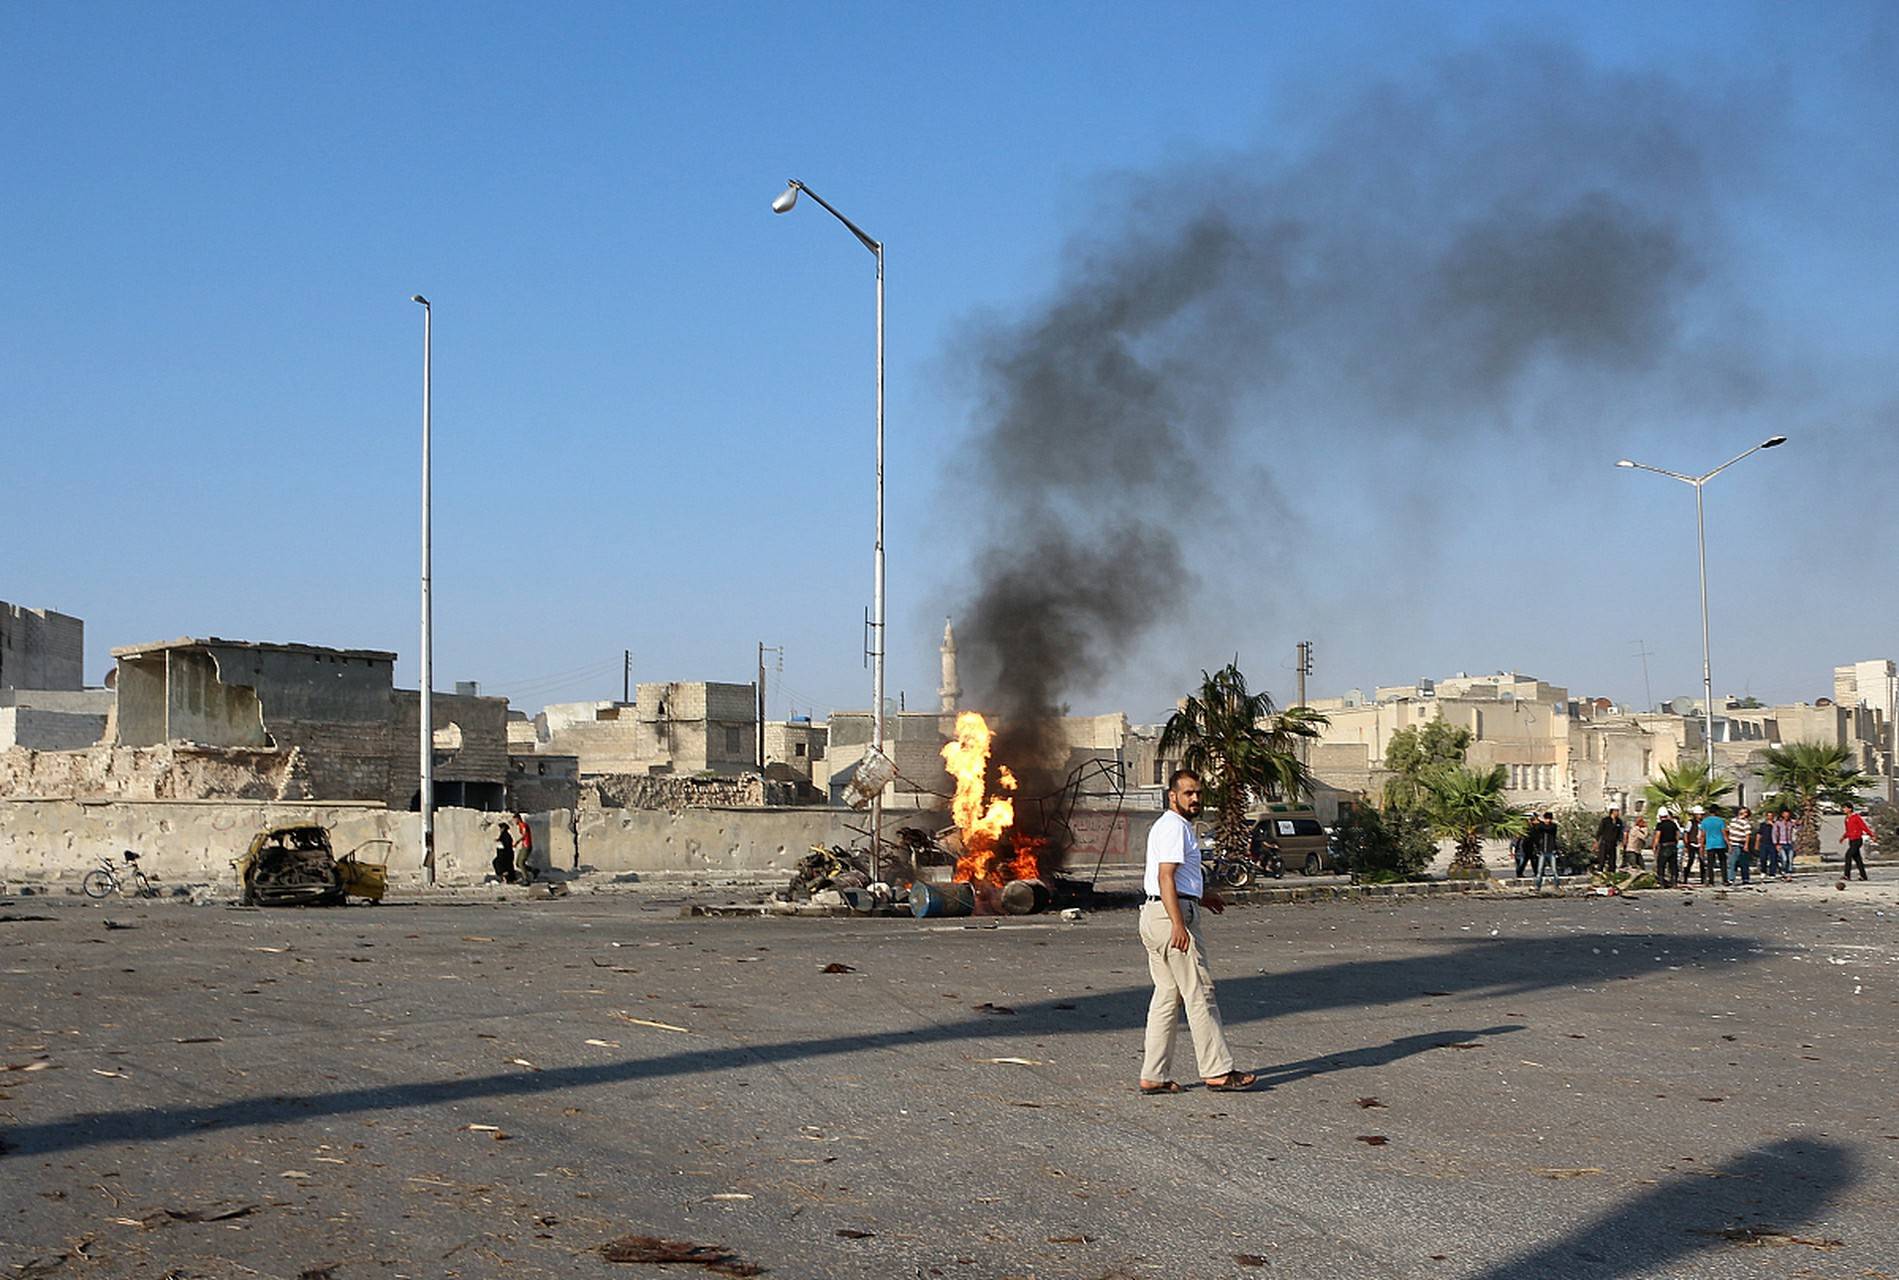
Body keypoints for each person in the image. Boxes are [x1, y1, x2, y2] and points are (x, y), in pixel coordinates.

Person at [1138, 768, 1254, 1095]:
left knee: (1167, 995)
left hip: (1155, 914)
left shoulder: (1169, 827)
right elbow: (1166, 878)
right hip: (1170, 917)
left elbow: (1173, 881)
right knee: (1199, 991)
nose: (1195, 799)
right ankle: (1217, 1070)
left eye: (1198, 793)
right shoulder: (1175, 827)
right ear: (1172, 796)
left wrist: (1203, 897)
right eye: (1188, 793)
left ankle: (1154, 1075)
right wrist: (1178, 923)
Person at [1840, 802, 1874, 881]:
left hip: (1857, 840)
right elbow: (1848, 830)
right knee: (1857, 859)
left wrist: (1871, 835)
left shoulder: (1856, 817)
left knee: (1848, 855)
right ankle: (1863, 876)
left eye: (1845, 808)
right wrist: (1843, 837)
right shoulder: (1847, 819)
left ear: (1850, 809)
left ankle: (1847, 875)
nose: (1843, 810)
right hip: (1851, 840)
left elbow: (1863, 827)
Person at [1528, 811, 1561, 890]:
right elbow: (1535, 830)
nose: (1547, 820)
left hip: (1551, 852)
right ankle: (1537, 887)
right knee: (1539, 871)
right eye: (1546, 819)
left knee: (1554, 871)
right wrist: (1533, 823)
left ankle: (1557, 886)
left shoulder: (1553, 826)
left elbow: (1546, 828)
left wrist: (1538, 822)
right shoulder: (1540, 826)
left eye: (1549, 819)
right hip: (1542, 852)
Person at [1699, 806, 1729, 886]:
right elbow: (1724, 833)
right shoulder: (1720, 821)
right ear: (1717, 812)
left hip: (1710, 844)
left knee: (1710, 863)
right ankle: (1725, 880)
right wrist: (1728, 844)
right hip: (1720, 843)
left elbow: (1703, 835)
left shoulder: (1705, 822)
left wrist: (1701, 845)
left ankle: (1711, 881)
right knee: (1723, 862)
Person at [1727, 807, 1755, 886]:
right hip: (1733, 843)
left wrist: (1746, 845)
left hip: (1741, 843)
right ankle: (1731, 879)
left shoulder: (1746, 823)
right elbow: (1729, 830)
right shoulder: (1733, 821)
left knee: (1744, 862)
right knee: (1732, 862)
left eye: (1745, 812)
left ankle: (1745, 878)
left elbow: (1747, 834)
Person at [1652, 810, 1681, 887]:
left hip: (1664, 847)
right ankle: (1674, 882)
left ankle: (1661, 883)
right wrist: (1675, 843)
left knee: (1661, 865)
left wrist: (1654, 846)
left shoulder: (1660, 825)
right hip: (1673, 846)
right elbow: (1678, 834)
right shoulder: (1673, 824)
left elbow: (1657, 836)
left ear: (1660, 817)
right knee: (1673, 865)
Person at [1594, 807, 1624, 874]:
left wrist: (1621, 841)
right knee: (1602, 859)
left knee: (1612, 860)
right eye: (1616, 811)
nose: (1617, 813)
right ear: (1612, 811)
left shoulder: (1619, 821)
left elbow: (1620, 833)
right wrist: (1596, 841)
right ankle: (1599, 872)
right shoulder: (1605, 820)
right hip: (1605, 843)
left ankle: (1611, 872)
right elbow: (1600, 831)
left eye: (1618, 811)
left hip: (1613, 844)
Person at [1772, 808, 1797, 879]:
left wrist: (1797, 823)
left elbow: (1798, 829)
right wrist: (1776, 844)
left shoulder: (1791, 823)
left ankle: (1789, 873)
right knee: (1784, 859)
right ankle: (1783, 870)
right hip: (1781, 843)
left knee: (1790, 859)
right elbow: (1774, 833)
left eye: (1788, 815)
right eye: (1785, 814)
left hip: (1789, 843)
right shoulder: (1778, 823)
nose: (1786, 816)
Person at [1681, 806, 1704, 883]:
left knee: (1702, 861)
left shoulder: (1703, 823)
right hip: (1692, 843)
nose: (1700, 816)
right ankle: (1685, 878)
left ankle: (1703, 879)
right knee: (1690, 860)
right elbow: (1686, 833)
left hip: (1700, 844)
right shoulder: (1690, 822)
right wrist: (1686, 844)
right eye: (1699, 814)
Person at [492, 820, 518, 884]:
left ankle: (506, 877)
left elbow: (506, 845)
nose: (500, 829)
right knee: (508, 867)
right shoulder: (505, 835)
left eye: (501, 828)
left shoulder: (505, 835)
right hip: (507, 854)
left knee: (502, 865)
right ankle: (509, 878)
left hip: (505, 854)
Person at [513, 812, 536, 882]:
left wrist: (517, 842)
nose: (514, 822)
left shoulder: (523, 825)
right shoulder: (521, 826)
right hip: (524, 845)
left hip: (527, 845)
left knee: (521, 862)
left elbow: (524, 835)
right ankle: (533, 871)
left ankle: (526, 878)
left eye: (515, 820)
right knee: (518, 863)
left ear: (518, 819)